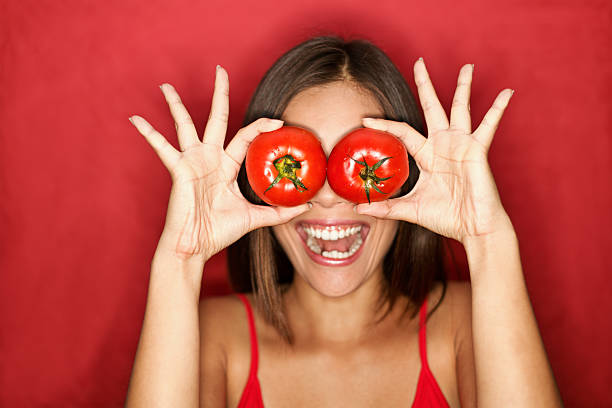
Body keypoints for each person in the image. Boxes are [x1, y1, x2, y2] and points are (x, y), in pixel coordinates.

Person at [125, 36, 563, 407]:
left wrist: (488, 242)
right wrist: (179, 262)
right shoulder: (212, 335)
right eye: (304, 165)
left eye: (354, 160)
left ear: (411, 178)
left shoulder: (465, 323)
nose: (331, 196)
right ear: (254, 186)